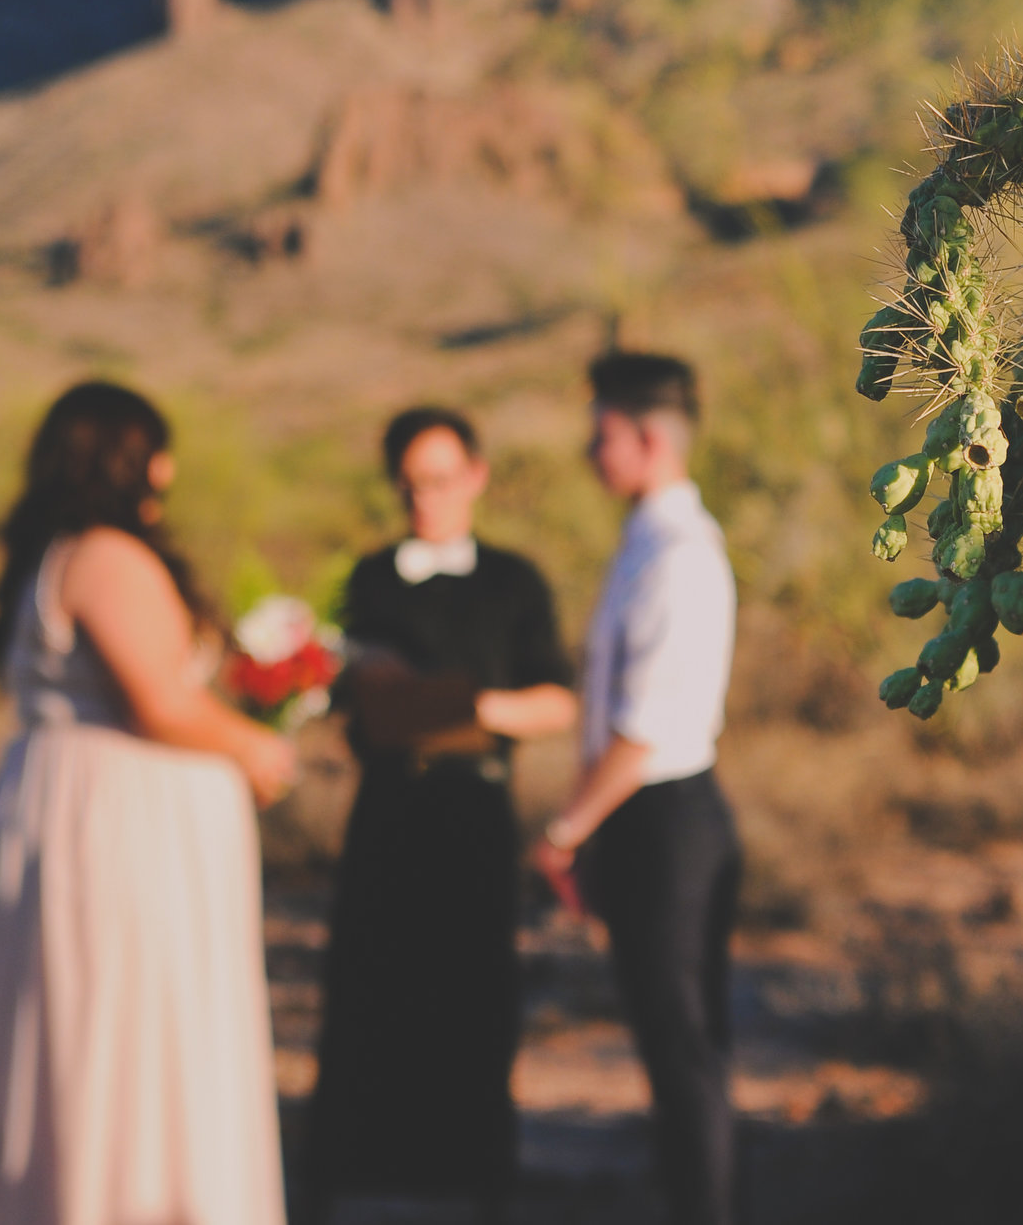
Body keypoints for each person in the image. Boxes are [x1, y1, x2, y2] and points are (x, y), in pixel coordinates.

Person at [0, 381, 296, 1225]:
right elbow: (161, 702)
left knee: (92, 1040)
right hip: (115, 836)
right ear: (128, 459)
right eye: (156, 447)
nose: (170, 468)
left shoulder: (56, 554)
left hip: (74, 815)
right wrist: (259, 747)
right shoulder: (109, 556)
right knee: (134, 1039)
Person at [307, 408, 578, 1221]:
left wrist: (468, 705)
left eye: (441, 477)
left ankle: (472, 1170)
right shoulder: (369, 580)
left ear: (476, 476)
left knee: (470, 981)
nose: (425, 496)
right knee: (374, 976)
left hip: (474, 804)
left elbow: (557, 699)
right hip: (389, 805)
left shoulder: (515, 581)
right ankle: (364, 1165)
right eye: (410, 481)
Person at [533, 352, 741, 1225]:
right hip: (648, 815)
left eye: (602, 434)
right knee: (673, 1048)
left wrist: (566, 829)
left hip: (665, 815)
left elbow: (644, 726)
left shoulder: (677, 556)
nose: (590, 451)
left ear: (650, 438)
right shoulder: (649, 540)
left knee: (684, 1053)